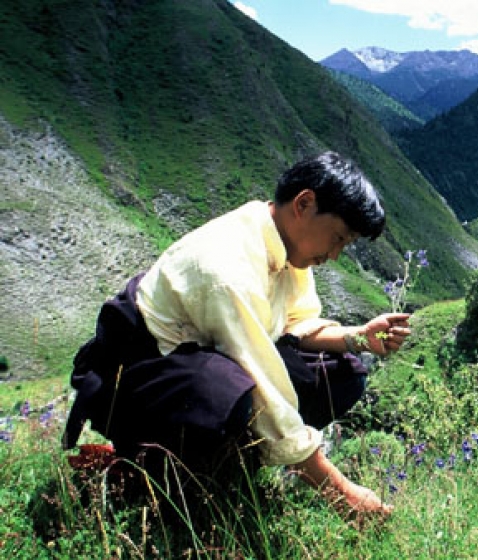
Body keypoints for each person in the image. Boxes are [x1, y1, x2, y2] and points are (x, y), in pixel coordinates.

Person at [63, 151, 410, 518]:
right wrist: (340, 492)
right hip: (140, 376)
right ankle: (139, 470)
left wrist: (357, 337)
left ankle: (230, 468)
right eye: (337, 238)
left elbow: (295, 323)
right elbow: (263, 382)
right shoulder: (227, 267)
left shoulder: (287, 246)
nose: (335, 254)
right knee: (229, 390)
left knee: (341, 373)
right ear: (304, 204)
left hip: (204, 362)